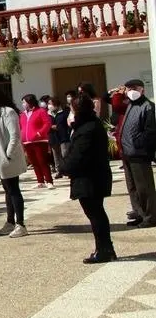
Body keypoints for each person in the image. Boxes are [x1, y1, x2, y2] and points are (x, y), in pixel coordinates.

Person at [59, 94, 115, 264]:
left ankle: (104, 249)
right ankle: (105, 248)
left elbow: (79, 155)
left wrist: (64, 168)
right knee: (96, 213)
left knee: (96, 214)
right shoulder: (87, 125)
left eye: (72, 109)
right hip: (90, 177)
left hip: (90, 178)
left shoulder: (88, 128)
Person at [0, 87, 29, 238]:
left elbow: (15, 135)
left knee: (13, 189)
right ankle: (10, 221)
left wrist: (8, 155)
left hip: (7, 158)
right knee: (8, 190)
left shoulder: (8, 112)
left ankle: (20, 224)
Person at [119, 79, 156, 228]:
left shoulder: (148, 107)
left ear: (142, 90)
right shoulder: (130, 105)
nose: (130, 91)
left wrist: (137, 144)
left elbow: (150, 132)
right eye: (128, 88)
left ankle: (151, 216)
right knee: (133, 188)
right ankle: (140, 214)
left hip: (139, 154)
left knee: (144, 188)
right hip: (127, 153)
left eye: (133, 88)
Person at [19, 94, 55, 190]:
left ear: (29, 102)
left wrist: (39, 133)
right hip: (27, 142)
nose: (23, 104)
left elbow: (47, 123)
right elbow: (21, 127)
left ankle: (49, 181)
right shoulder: (22, 115)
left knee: (42, 161)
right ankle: (40, 181)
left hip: (39, 140)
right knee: (34, 162)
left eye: (24, 102)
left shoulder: (40, 111)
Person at [48, 97, 71, 180]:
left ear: (56, 104)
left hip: (63, 136)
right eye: (49, 104)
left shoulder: (64, 113)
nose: (49, 106)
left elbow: (67, 124)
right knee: (56, 155)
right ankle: (59, 171)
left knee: (65, 154)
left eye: (51, 104)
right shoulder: (48, 114)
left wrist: (59, 127)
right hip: (53, 137)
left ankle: (68, 170)